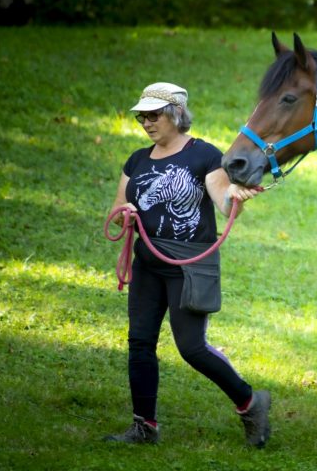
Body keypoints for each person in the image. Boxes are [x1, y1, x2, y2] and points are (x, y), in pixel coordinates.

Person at [105, 82, 271, 447]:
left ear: (176, 115)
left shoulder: (204, 156)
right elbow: (117, 212)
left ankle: (250, 403)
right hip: (148, 265)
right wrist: (125, 213)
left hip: (190, 264)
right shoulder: (136, 160)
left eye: (154, 115)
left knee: (192, 348)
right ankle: (144, 426)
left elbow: (224, 200)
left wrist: (237, 196)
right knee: (140, 342)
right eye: (141, 116)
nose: (146, 123)